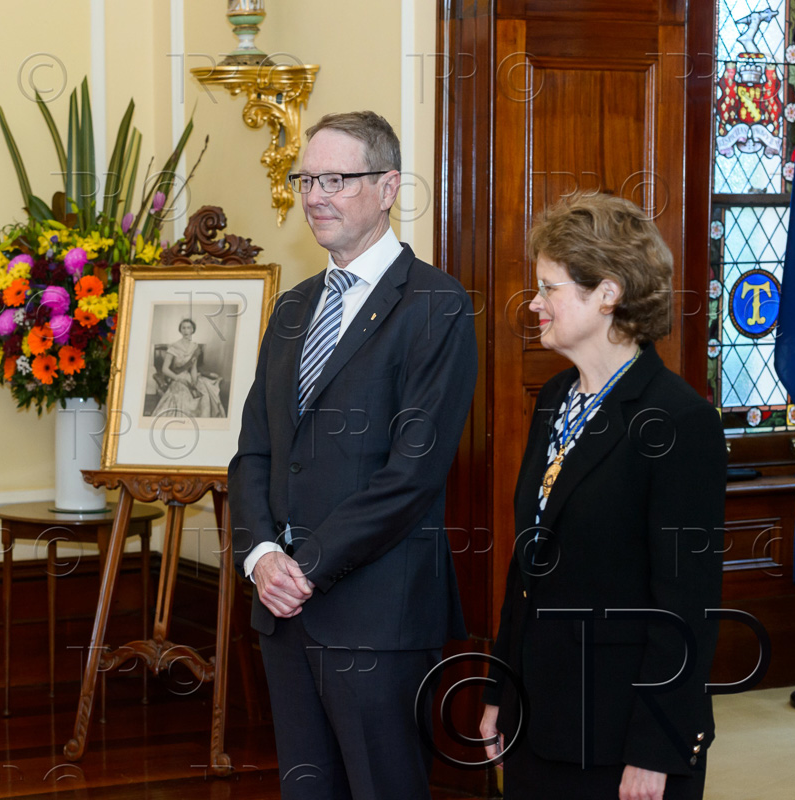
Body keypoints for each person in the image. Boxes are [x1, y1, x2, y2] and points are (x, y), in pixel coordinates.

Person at [229, 111, 477, 799]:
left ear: (388, 186)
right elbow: (255, 451)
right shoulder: (292, 308)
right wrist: (261, 558)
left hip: (378, 619)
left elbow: (412, 475)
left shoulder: (437, 305)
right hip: (284, 615)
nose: (315, 196)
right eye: (307, 179)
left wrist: (304, 567)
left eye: (336, 179)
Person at [479, 193, 726, 800]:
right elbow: (527, 568)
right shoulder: (552, 399)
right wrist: (499, 693)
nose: (534, 303)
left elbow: (687, 607)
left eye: (549, 287)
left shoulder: (680, 421)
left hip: (623, 739)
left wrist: (655, 749)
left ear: (608, 293)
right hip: (538, 721)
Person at [151, 318, 225, 419]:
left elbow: (193, 368)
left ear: (192, 330)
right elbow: (165, 369)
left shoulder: (195, 347)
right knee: (183, 397)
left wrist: (194, 381)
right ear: (180, 330)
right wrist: (178, 378)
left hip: (189, 376)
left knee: (205, 392)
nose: (186, 330)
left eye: (189, 328)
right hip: (177, 377)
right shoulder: (174, 346)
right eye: (183, 328)